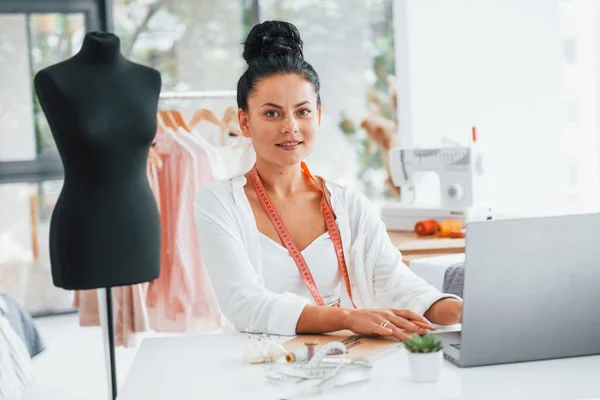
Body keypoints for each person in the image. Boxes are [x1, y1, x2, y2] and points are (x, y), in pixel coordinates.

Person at [194, 20, 462, 341]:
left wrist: (460, 310)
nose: (290, 126)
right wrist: (349, 317)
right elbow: (244, 303)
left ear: (318, 116)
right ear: (244, 121)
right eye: (272, 113)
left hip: (344, 365)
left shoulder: (349, 205)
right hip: (265, 372)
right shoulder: (218, 203)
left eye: (303, 111)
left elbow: (394, 281)